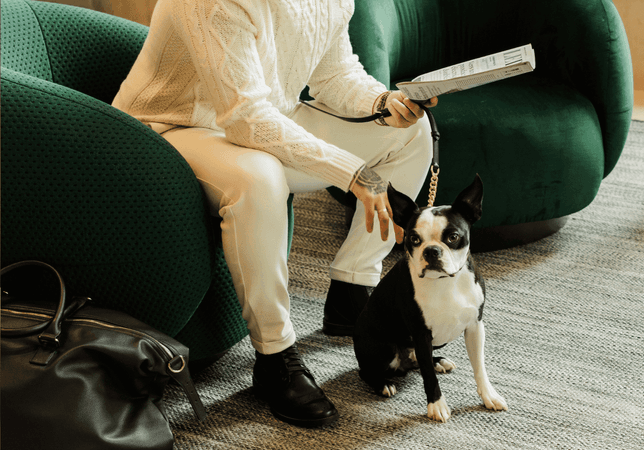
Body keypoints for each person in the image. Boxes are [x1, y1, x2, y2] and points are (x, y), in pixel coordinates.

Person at [112, 0, 437, 428]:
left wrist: (384, 103)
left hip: (268, 115)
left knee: (411, 133)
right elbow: (245, 118)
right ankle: (275, 358)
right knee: (260, 179)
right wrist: (350, 171)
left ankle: (352, 288)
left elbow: (335, 75)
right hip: (173, 127)